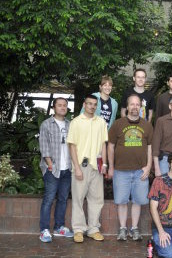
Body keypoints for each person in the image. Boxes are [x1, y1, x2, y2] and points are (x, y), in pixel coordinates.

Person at [107, 94, 153, 241]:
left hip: (141, 170)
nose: (134, 107)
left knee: (138, 201)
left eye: (137, 104)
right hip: (121, 170)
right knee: (122, 201)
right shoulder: (118, 124)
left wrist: (148, 166)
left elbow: (150, 148)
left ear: (141, 107)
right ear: (127, 107)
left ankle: (134, 228)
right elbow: (111, 147)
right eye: (132, 104)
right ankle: (122, 229)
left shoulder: (147, 125)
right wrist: (111, 167)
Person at [67, 94, 108, 243]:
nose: (92, 106)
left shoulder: (101, 122)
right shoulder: (76, 122)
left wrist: (104, 164)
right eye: (89, 103)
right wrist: (76, 168)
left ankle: (93, 229)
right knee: (78, 199)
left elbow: (104, 144)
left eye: (94, 104)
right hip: (81, 167)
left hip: (96, 167)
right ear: (84, 105)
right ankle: (78, 229)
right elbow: (72, 146)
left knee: (97, 199)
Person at [38, 97, 73, 242]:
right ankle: (44, 230)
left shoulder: (70, 124)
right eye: (59, 105)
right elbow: (44, 146)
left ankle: (59, 227)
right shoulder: (46, 124)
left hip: (67, 169)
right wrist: (50, 165)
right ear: (54, 107)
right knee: (49, 199)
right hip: (53, 168)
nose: (62, 107)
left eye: (65, 105)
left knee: (63, 199)